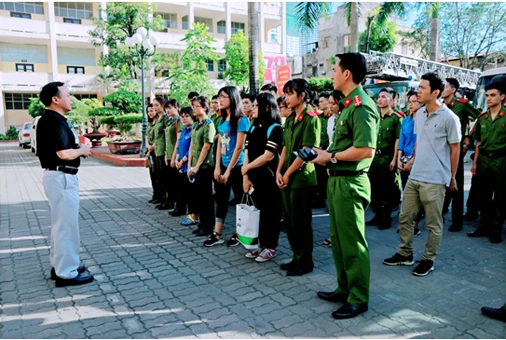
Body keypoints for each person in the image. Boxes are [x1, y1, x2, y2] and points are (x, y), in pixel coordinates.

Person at [311, 52, 378, 320]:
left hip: (350, 183)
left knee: (353, 244)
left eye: (335, 70)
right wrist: (324, 154)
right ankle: (344, 289)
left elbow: (366, 149)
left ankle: (358, 298)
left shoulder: (362, 106)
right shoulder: (348, 106)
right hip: (337, 180)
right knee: (339, 242)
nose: (332, 75)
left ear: (347, 74)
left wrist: (332, 157)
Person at [384, 72, 461, 277]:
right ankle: (405, 253)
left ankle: (428, 259)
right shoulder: (420, 114)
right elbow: (420, 142)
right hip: (415, 175)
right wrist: (411, 161)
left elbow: (455, 149)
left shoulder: (450, 118)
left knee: (433, 224)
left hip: (435, 179)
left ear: (436, 92)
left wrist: (452, 177)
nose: (418, 91)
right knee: (405, 217)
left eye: (422, 88)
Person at [36, 81, 93, 287]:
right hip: (61, 177)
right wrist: (82, 150)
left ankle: (62, 265)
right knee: (66, 226)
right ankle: (66, 272)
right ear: (55, 99)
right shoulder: (53, 121)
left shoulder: (53, 119)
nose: (71, 98)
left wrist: (77, 150)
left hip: (59, 177)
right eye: (68, 95)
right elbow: (64, 153)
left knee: (61, 225)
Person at [276, 78, 321, 276]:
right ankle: (296, 257)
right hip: (286, 176)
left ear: (302, 96)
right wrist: (279, 170)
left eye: (289, 94)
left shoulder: (311, 119)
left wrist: (286, 173)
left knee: (301, 221)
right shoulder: (291, 119)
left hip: (300, 178)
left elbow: (306, 151)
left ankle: (306, 261)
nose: (286, 98)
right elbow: (285, 147)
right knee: (290, 221)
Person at [204, 86, 250, 247]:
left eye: (223, 97)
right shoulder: (223, 119)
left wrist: (229, 170)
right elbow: (219, 144)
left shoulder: (242, 120)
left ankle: (239, 233)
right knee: (221, 199)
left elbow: (239, 147)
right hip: (223, 165)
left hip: (237, 167)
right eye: (218, 97)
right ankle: (217, 234)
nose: (219, 100)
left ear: (232, 98)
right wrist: (218, 167)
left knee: (240, 201)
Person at [242, 92, 284, 262]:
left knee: (270, 214)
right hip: (253, 178)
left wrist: (246, 167)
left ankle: (270, 247)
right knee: (256, 212)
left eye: (256, 105)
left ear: (267, 107)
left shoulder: (275, 128)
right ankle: (258, 244)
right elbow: (247, 152)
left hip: (269, 178)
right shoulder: (253, 127)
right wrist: (245, 175)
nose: (253, 108)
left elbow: (268, 156)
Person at [467, 80, 506, 243]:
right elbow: (479, 144)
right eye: (487, 95)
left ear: (502, 97)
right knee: (483, 196)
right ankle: (484, 225)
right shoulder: (482, 118)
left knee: (500, 198)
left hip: (501, 161)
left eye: (492, 95)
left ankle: (496, 229)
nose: (489, 99)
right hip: (483, 161)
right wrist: (475, 163)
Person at [441, 78, 480, 231]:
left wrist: (468, 136)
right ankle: (439, 213)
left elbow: (481, 117)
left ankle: (457, 222)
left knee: (456, 186)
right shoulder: (440, 106)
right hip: (440, 151)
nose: (442, 89)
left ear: (453, 90)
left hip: (455, 151)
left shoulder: (461, 105)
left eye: (445, 87)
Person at [366, 88, 402, 230]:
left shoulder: (395, 118)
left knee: (386, 188)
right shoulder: (374, 117)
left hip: (387, 157)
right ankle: (377, 214)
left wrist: (395, 159)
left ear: (391, 100)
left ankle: (385, 217)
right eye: (379, 97)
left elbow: (397, 140)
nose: (379, 99)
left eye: (384, 97)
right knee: (374, 188)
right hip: (374, 158)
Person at [186, 96, 216, 236]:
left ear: (204, 107)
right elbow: (192, 144)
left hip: (205, 167)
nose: (194, 109)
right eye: (193, 106)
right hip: (195, 166)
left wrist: (197, 166)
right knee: (198, 196)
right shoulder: (196, 124)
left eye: (196, 106)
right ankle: (202, 224)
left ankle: (208, 226)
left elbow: (206, 146)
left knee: (206, 198)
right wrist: (190, 165)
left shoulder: (208, 124)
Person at [397, 91, 423, 236]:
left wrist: (412, 161)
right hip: (405, 160)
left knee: (417, 195)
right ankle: (406, 223)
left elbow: (422, 143)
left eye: (414, 101)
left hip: (418, 160)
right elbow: (401, 142)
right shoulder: (406, 120)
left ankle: (415, 224)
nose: (411, 104)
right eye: (410, 101)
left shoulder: (424, 120)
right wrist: (399, 160)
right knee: (406, 193)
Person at [322, 89, 344, 248]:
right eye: (328, 103)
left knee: (342, 205)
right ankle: (334, 234)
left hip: (342, 163)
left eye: (333, 103)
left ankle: (340, 236)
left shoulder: (347, 118)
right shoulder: (331, 120)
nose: (330, 106)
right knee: (333, 205)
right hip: (330, 161)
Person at [164, 99, 185, 216]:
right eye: (166, 108)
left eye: (170, 108)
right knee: (171, 182)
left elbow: (178, 140)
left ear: (177, 108)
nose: (168, 110)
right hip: (169, 154)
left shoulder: (179, 121)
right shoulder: (170, 121)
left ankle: (180, 207)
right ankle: (175, 205)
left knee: (178, 184)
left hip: (176, 156)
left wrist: (173, 157)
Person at [152, 97, 172, 210]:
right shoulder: (158, 118)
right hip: (157, 151)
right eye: (153, 105)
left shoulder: (165, 118)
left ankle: (168, 199)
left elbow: (167, 135)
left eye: (157, 105)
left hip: (164, 150)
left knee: (165, 177)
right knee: (160, 176)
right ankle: (163, 198)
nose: (155, 107)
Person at [174, 107, 195, 218]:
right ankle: (181, 209)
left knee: (190, 193)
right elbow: (179, 147)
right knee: (181, 190)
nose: (184, 119)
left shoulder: (193, 131)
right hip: (181, 165)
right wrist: (177, 159)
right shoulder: (183, 131)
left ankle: (192, 215)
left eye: (187, 116)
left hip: (188, 165)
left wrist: (182, 160)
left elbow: (191, 149)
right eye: (182, 116)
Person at [313, 92, 332, 209]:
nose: (319, 104)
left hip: (329, 151)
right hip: (319, 152)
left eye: (321, 101)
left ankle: (330, 203)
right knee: (319, 178)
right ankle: (319, 200)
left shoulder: (333, 118)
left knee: (328, 179)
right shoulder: (318, 118)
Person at [146, 103, 162, 204]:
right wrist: (148, 147)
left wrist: (152, 147)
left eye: (152, 110)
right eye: (148, 111)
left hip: (157, 150)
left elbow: (159, 137)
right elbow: (147, 136)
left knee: (159, 174)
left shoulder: (159, 123)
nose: (150, 113)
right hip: (151, 151)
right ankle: (155, 194)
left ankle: (161, 195)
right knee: (152, 174)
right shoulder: (150, 124)